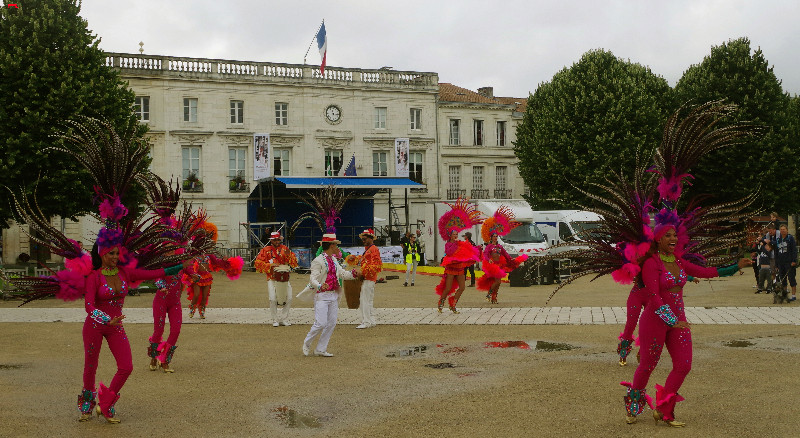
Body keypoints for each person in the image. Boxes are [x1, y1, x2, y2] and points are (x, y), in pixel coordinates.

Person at [624, 215, 750, 426]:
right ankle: (633, 407)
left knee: (683, 365)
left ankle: (664, 410)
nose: (673, 238)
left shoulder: (680, 262)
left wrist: (735, 267)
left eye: (675, 235)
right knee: (647, 365)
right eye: (668, 235)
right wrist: (671, 320)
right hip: (655, 321)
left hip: (678, 322)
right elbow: (654, 297)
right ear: (658, 239)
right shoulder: (651, 264)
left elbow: (706, 272)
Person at [82, 238, 188, 423]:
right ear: (101, 254)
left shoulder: (125, 272)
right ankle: (87, 404)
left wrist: (179, 266)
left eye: (117, 253)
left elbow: (155, 273)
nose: (115, 257)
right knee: (91, 365)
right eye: (111, 253)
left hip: (116, 327)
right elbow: (89, 306)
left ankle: (106, 403)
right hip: (95, 326)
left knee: (126, 367)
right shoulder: (94, 277)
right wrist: (107, 319)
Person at [302, 234, 360, 357]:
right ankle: (307, 343)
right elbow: (313, 279)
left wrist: (353, 274)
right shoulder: (318, 261)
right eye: (335, 244)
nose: (337, 247)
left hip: (333, 294)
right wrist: (320, 286)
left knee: (331, 323)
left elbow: (342, 273)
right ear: (331, 245)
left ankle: (320, 349)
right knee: (320, 323)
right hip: (322, 296)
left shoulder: (333, 260)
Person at [435, 198, 483, 313]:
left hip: (460, 268)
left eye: (457, 234)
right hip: (451, 268)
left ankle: (453, 303)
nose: (455, 235)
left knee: (462, 287)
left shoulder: (460, 243)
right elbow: (450, 252)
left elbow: (468, 249)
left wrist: (477, 249)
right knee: (447, 288)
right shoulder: (448, 244)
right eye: (454, 234)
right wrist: (456, 245)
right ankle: (441, 302)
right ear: (450, 235)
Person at [255, 231, 299, 326]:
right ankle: (275, 320)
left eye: (278, 239)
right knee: (273, 299)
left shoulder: (285, 249)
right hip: (272, 278)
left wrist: (289, 262)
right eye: (275, 240)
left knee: (290, 298)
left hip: (284, 277)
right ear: (271, 240)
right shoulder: (265, 250)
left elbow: (293, 259)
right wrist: (270, 265)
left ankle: (283, 319)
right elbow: (257, 263)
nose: (277, 241)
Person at [356, 228, 382, 329]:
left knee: (364, 300)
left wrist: (363, 272)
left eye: (365, 239)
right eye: (362, 239)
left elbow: (376, 265)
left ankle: (366, 321)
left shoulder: (372, 249)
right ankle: (371, 320)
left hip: (368, 278)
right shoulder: (369, 249)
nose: (363, 241)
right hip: (370, 278)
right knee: (368, 300)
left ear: (371, 238)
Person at [774, 224, 797, 302]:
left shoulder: (790, 238)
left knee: (791, 278)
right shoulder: (778, 240)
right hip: (781, 262)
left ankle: (793, 295)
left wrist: (794, 260)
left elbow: (794, 250)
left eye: (784, 229)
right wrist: (776, 264)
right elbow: (776, 252)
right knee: (783, 279)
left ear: (787, 230)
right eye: (781, 229)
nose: (782, 231)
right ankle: (784, 294)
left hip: (789, 262)